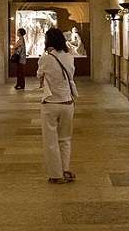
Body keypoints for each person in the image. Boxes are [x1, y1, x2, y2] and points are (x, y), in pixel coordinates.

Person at [37, 27, 77, 184]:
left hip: (50, 103)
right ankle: (65, 169)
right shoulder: (69, 56)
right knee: (65, 138)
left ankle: (56, 174)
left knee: (50, 140)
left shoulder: (45, 58)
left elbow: (39, 75)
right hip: (67, 102)